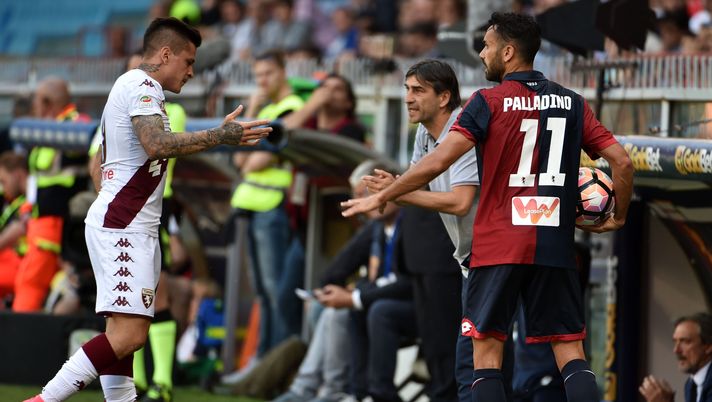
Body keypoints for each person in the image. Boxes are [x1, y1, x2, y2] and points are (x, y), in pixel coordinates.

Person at [341, 12, 634, 402]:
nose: (482, 53)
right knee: (569, 351)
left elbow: (440, 160)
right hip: (553, 242)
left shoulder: (486, 102)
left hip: (497, 244)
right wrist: (619, 216)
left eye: (488, 45)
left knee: (486, 355)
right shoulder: (573, 102)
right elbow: (623, 162)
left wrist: (385, 194)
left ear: (509, 52)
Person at [23, 16, 271, 402]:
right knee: (130, 335)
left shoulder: (132, 88)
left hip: (126, 224)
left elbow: (99, 161)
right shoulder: (142, 85)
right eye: (188, 62)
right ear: (165, 54)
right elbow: (156, 144)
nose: (191, 72)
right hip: (125, 226)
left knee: (122, 338)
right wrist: (222, 136)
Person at [362, 59, 477, 402]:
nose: (408, 98)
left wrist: (390, 193)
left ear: (444, 98)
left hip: (492, 255)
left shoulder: (464, 131)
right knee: (462, 355)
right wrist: (393, 189)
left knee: (476, 358)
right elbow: (417, 189)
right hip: (468, 257)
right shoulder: (424, 135)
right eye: (406, 90)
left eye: (418, 91)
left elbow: (460, 203)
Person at [227, 49, 304, 375]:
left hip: (273, 207)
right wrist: (254, 107)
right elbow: (239, 160)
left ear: (284, 71)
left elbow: (255, 161)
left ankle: (275, 365)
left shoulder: (291, 108)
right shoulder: (268, 109)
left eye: (268, 74)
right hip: (253, 207)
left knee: (276, 290)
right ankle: (264, 362)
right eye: (257, 76)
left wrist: (248, 158)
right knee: (263, 290)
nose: (262, 81)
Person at [13, 77, 90, 313]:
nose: (33, 108)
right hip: (40, 222)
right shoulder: (46, 128)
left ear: (47, 102)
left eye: (36, 101)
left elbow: (89, 138)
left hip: (56, 224)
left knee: (30, 283)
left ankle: (16, 341)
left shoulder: (76, 125)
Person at [639, 313, 712, 402]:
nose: (676, 350)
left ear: (708, 346)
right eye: (675, 341)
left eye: (685, 341)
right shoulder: (690, 385)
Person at [0, 152, 28, 305]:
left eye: (3, 181)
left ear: (17, 175)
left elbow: (19, 228)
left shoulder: (30, 200)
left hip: (21, 262)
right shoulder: (14, 202)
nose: (3, 189)